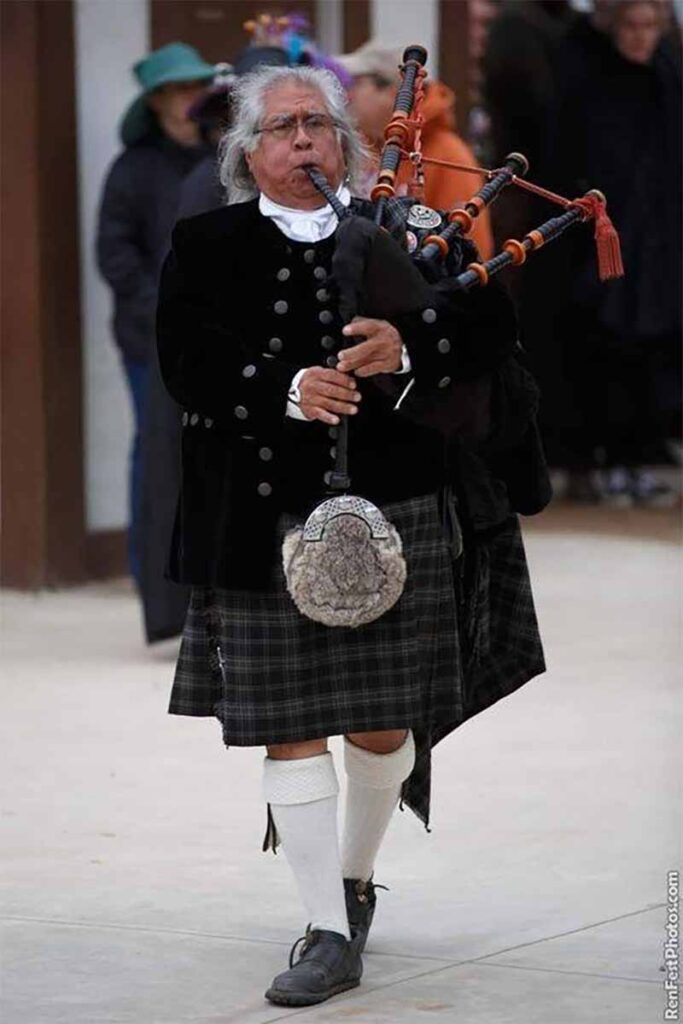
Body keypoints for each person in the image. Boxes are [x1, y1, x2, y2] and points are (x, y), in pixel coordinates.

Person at [156, 64, 546, 1007]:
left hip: (396, 515)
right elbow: (185, 360)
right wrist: (282, 391)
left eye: (318, 126)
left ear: (346, 144)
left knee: (379, 725)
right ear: (246, 154)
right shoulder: (206, 244)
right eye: (280, 128)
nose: (301, 143)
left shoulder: (403, 233)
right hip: (257, 519)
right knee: (288, 729)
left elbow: (489, 327)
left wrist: (410, 346)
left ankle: (354, 881)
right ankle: (325, 932)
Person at [543, 0, 681, 505]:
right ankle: (596, 460)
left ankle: (637, 458)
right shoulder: (588, 78)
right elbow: (568, 154)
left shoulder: (667, 75)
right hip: (599, 237)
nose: (642, 37)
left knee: (647, 354)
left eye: (651, 27)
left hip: (656, 240)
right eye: (633, 27)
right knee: (599, 349)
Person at [97, 42, 214, 636]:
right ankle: (150, 577)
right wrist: (158, 310)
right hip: (148, 338)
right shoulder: (133, 169)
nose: (188, 97)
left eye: (196, 85)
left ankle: (200, 584)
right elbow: (115, 256)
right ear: (158, 100)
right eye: (176, 88)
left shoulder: (226, 159)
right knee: (156, 449)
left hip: (210, 337)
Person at [336, 40, 494, 259]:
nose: (348, 95)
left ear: (392, 91)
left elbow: (469, 250)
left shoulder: (450, 156)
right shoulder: (360, 147)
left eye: (356, 83)